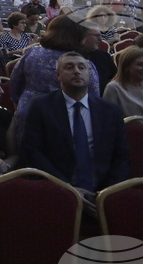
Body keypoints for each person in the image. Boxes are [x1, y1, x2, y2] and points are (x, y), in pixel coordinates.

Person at [20, 51, 130, 202]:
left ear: (89, 74)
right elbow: (33, 151)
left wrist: (107, 191)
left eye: (82, 67)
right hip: (57, 189)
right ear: (58, 74)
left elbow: (121, 155)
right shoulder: (42, 107)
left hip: (102, 190)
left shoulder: (110, 110)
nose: (77, 71)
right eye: (69, 67)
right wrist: (66, 188)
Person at [10, 14, 100, 144]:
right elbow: (93, 99)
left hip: (28, 114)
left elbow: (14, 85)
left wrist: (21, 104)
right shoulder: (82, 66)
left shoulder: (32, 54)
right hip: (65, 122)